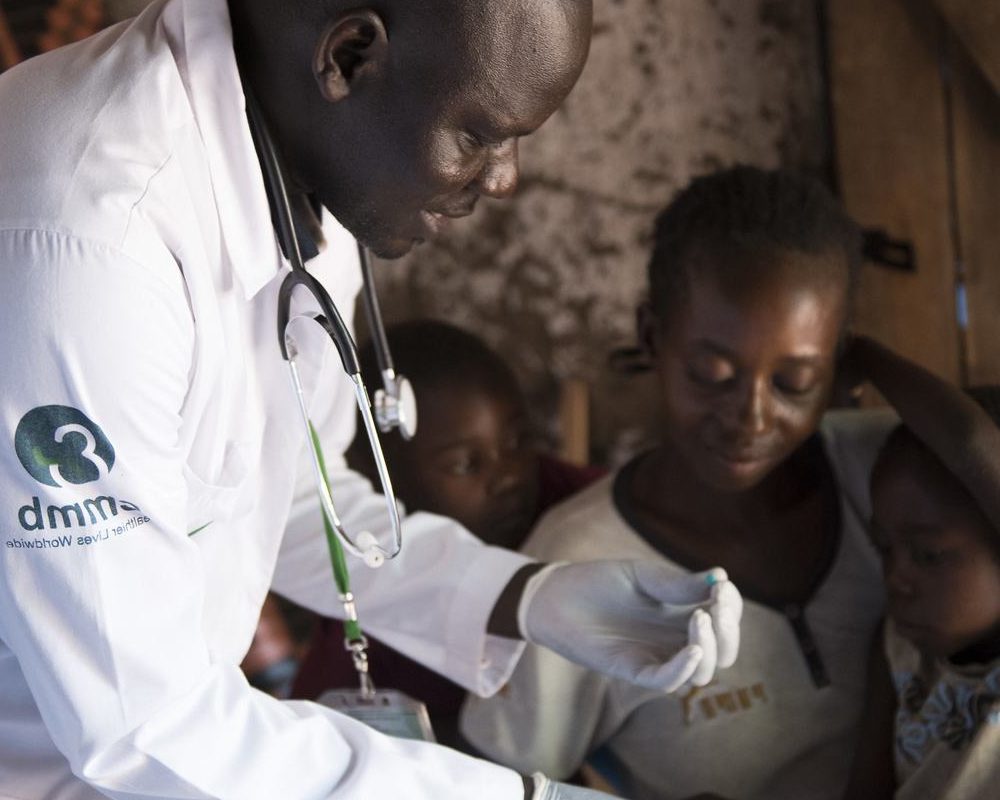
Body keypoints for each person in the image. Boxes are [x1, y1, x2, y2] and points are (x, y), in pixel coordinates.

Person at [0, 1, 743, 799]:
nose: (504, 178)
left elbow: (277, 497)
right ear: (350, 56)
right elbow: (145, 725)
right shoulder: (83, 248)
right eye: (481, 134)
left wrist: (521, 595)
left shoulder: (300, 153)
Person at [461, 166, 895, 800]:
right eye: (712, 375)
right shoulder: (578, 561)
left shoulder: (884, 476)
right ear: (651, 337)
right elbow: (490, 783)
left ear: (839, 364)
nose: (751, 418)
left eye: (795, 383)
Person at [292, 319, 606, 747]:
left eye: (517, 441)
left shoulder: (573, 501)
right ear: (381, 481)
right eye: (464, 464)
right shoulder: (359, 643)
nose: (508, 476)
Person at [841, 339, 1000, 800]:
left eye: (929, 555)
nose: (897, 580)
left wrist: (864, 355)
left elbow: (973, 444)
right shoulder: (898, 649)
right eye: (884, 548)